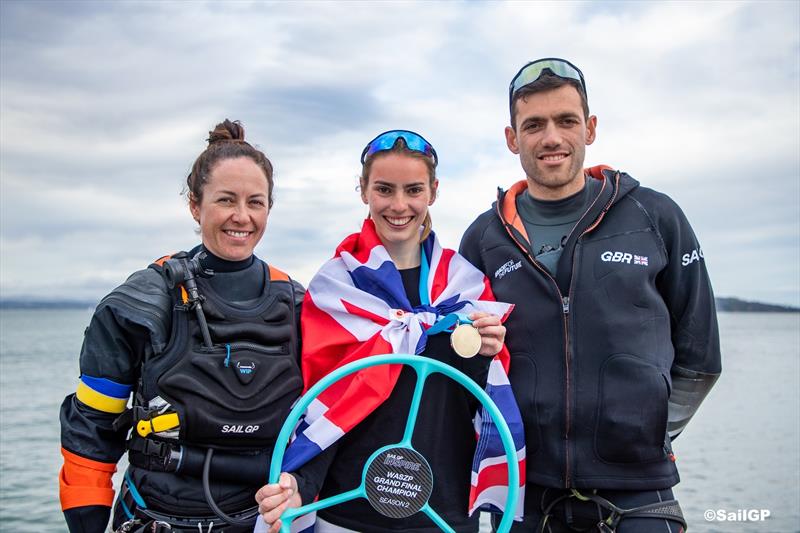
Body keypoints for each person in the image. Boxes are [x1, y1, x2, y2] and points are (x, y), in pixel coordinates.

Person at [459, 58, 722, 532]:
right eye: (533, 125)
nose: (551, 138)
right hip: (527, 495)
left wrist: (646, 435)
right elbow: (464, 365)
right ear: (512, 138)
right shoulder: (483, 238)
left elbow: (700, 357)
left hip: (640, 493)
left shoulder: (654, 217)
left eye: (566, 121)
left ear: (591, 128)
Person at [254, 130, 525, 533]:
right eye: (384, 189)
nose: (399, 205)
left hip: (442, 519)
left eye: (413, 189)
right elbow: (325, 406)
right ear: (363, 191)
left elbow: (478, 407)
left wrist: (488, 354)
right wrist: (299, 485)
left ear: (433, 192)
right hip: (345, 515)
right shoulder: (335, 290)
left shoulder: (466, 288)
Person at [58, 119, 305, 532]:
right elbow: (90, 429)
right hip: (155, 518)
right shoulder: (140, 304)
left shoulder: (295, 303)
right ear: (195, 204)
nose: (241, 217)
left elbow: (330, 417)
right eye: (226, 200)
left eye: (255, 202)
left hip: (262, 521)